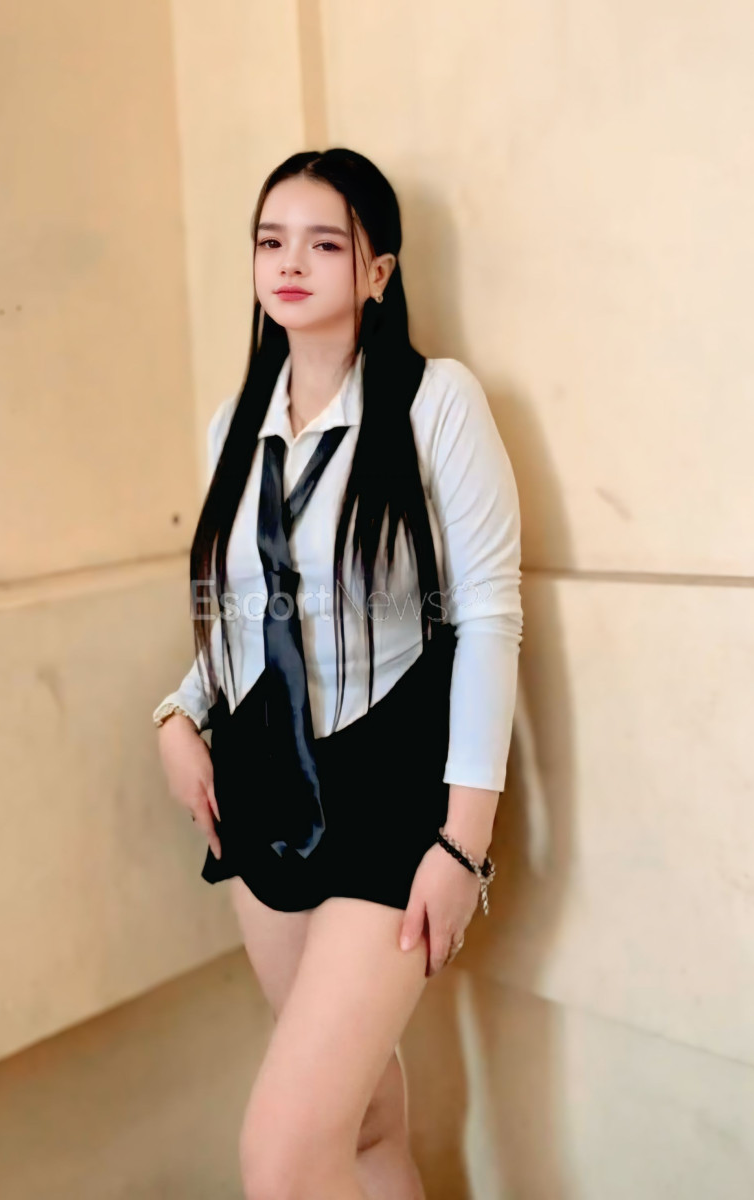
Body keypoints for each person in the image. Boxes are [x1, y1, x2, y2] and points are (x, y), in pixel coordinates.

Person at [154, 148, 522, 1200]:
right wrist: (179, 712)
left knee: (281, 1158)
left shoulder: (434, 401)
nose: (289, 263)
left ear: (378, 272)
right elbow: (243, 610)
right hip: (259, 784)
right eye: (271, 241)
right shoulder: (235, 423)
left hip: (388, 794)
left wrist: (463, 843)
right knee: (361, 1123)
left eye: (324, 243)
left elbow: (489, 619)